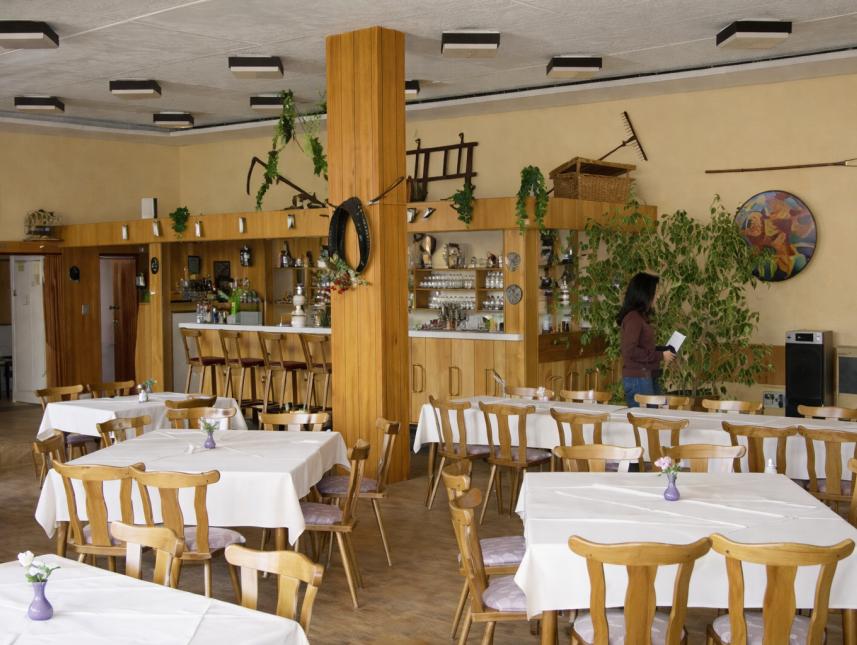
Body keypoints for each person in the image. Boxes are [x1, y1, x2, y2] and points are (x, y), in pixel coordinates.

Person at [617, 272, 674, 407]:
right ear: (645, 294)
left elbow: (643, 348)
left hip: (645, 376)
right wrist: (660, 355)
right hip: (639, 378)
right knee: (648, 418)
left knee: (656, 415)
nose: (658, 296)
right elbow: (629, 351)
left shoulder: (639, 317)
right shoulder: (633, 318)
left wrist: (663, 350)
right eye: (656, 292)